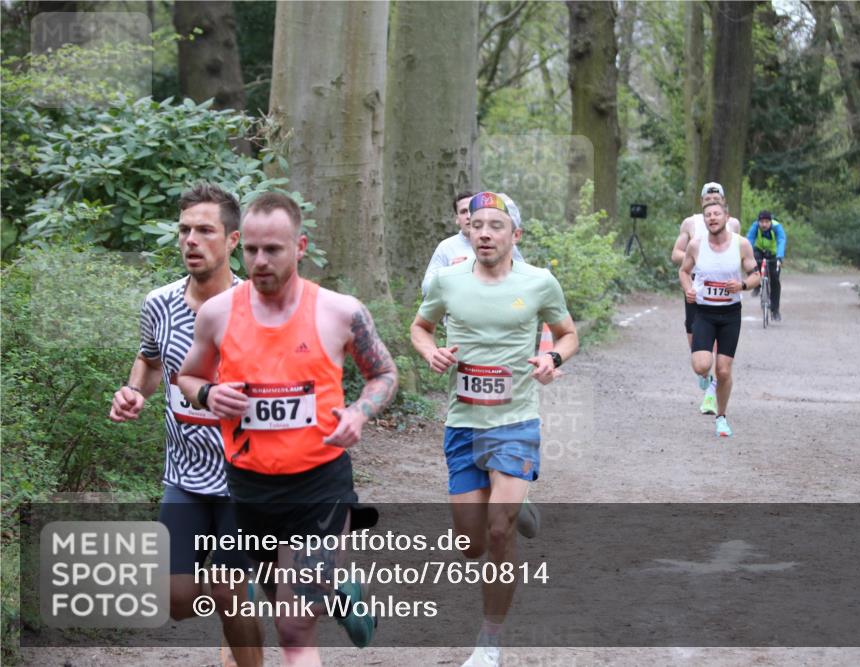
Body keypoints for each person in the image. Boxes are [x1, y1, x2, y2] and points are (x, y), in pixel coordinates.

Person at [177, 192, 399, 665]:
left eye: (272, 249)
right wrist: (208, 395)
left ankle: (325, 586)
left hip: (319, 484)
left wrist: (360, 411)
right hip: (248, 486)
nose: (259, 261)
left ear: (300, 246)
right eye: (251, 249)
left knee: (293, 627)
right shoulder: (217, 313)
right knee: (278, 599)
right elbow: (188, 375)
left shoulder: (340, 311)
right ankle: (339, 587)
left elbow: (385, 373)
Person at [410, 191, 578, 667]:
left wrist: (551, 357)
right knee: (470, 544)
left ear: (514, 235)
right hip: (463, 423)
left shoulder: (540, 282)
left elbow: (569, 333)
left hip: (515, 422)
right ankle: (515, 500)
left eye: (495, 226)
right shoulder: (446, 281)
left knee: (500, 533)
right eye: (476, 224)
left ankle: (489, 642)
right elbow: (420, 327)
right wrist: (430, 352)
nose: (483, 232)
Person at [108, 184, 263, 667]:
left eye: (205, 230)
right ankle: (238, 598)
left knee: (227, 590)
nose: (191, 240)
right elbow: (151, 362)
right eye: (185, 230)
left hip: (245, 477)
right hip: (185, 477)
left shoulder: (258, 307)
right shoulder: (160, 302)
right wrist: (135, 390)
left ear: (233, 240)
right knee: (174, 600)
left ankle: (238, 605)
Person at [679, 201, 760, 438]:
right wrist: (688, 289)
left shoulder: (741, 244)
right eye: (708, 215)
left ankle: (721, 417)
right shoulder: (696, 245)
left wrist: (742, 285)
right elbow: (684, 271)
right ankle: (706, 378)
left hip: (730, 314)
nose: (712, 218)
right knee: (701, 365)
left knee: (724, 371)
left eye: (716, 214)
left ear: (727, 216)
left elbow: (756, 275)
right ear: (704, 221)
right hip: (704, 313)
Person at [671, 182, 741, 416]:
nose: (712, 201)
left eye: (716, 198)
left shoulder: (732, 224)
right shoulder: (691, 223)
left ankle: (713, 391)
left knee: (719, 350)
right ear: (702, 202)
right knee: (697, 347)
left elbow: (735, 253)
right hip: (695, 289)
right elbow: (676, 254)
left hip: (721, 297)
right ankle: (705, 375)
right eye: (708, 198)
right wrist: (699, 255)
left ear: (723, 201)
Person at [421, 190, 524, 296]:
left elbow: (523, 280)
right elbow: (426, 289)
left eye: (472, 210)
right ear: (457, 219)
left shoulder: (501, 244)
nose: (469, 216)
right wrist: (450, 274)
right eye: (464, 211)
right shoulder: (446, 247)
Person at [746, 209, 787, 321]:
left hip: (774, 254)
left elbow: (781, 241)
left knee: (775, 280)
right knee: (751, 263)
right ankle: (756, 285)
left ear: (771, 221)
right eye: (761, 222)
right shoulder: (755, 227)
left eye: (767, 222)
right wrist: (747, 254)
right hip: (759, 250)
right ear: (758, 221)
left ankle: (775, 310)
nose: (764, 224)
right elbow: (749, 240)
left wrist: (779, 256)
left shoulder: (777, 227)